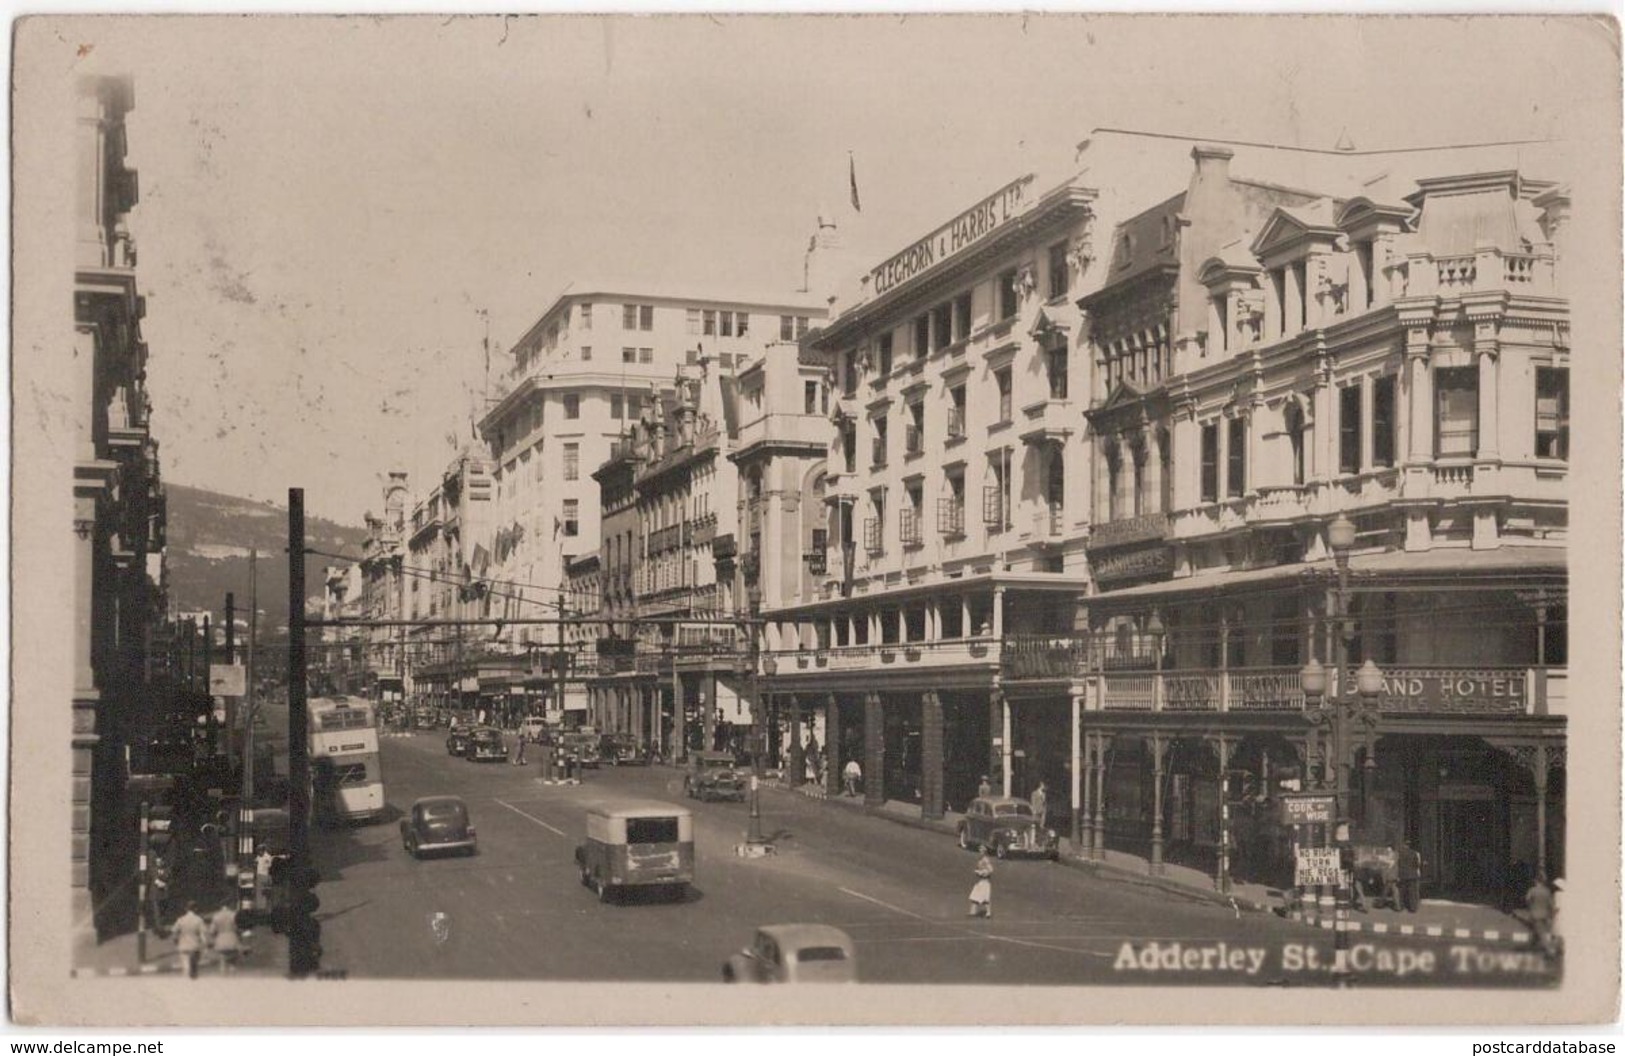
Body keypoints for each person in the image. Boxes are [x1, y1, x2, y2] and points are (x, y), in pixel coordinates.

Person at [173, 901, 208, 979]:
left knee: (185, 965)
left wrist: (176, 942)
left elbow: (175, 932)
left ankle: (186, 979)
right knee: (194, 966)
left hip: (183, 945)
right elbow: (202, 935)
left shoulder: (180, 920)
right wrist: (205, 946)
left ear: (186, 909)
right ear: (196, 909)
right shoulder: (199, 920)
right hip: (195, 946)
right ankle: (193, 980)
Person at [1526, 873, 1556, 956]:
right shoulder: (1547, 891)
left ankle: (1550, 950)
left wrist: (1532, 906)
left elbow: (1527, 900)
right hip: (1545, 914)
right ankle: (1531, 946)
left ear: (1536, 881)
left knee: (1541, 933)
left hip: (1535, 914)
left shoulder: (1532, 890)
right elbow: (1551, 904)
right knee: (1537, 930)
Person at [208, 902, 242, 974]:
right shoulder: (234, 915)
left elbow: (212, 931)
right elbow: (239, 929)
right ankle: (233, 977)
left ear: (221, 906)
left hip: (221, 940)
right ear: (229, 906)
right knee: (233, 961)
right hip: (233, 939)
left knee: (222, 961)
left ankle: (223, 978)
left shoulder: (216, 916)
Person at [1396, 841, 1422, 913]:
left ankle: (1401, 906)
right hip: (1412, 875)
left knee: (1402, 892)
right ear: (1409, 846)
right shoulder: (1414, 853)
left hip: (1403, 875)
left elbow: (1398, 864)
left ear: (1404, 845)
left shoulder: (1400, 853)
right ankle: (1413, 908)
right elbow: (1416, 864)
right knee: (1412, 893)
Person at [969, 853, 995, 918]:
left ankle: (988, 912)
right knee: (974, 897)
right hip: (980, 883)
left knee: (985, 899)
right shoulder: (980, 862)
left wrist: (983, 873)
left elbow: (990, 871)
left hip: (985, 883)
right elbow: (978, 871)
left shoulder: (987, 864)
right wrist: (978, 872)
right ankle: (972, 912)